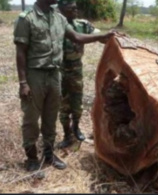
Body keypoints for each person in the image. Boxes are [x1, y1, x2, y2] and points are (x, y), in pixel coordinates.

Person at [14, 0, 114, 174]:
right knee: (31, 119)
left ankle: (49, 155)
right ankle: (31, 159)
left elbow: (76, 37)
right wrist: (23, 82)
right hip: (34, 75)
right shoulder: (26, 18)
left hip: (55, 75)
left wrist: (102, 36)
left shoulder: (59, 18)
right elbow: (20, 52)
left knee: (51, 117)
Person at [56, 0, 100, 148]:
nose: (75, 10)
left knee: (77, 103)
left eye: (76, 8)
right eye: (71, 8)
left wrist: (113, 37)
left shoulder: (82, 25)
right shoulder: (54, 24)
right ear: (61, 8)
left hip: (76, 70)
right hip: (58, 71)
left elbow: (99, 35)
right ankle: (67, 135)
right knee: (63, 106)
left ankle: (76, 128)